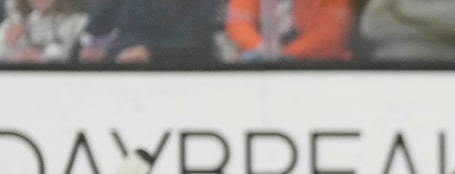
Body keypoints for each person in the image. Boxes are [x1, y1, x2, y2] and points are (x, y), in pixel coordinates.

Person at [73, 0, 216, 65]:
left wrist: (152, 52)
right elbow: (90, 35)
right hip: (115, 73)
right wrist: (86, 52)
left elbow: (198, 41)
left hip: (174, 72)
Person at [224, 0, 354, 62]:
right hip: (257, 67)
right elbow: (238, 24)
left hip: (321, 71)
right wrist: (261, 47)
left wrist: (285, 55)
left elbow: (329, 36)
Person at [0, 0, 89, 64]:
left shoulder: (78, 22)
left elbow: (83, 57)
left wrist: (43, 58)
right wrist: (7, 43)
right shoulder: (12, 25)